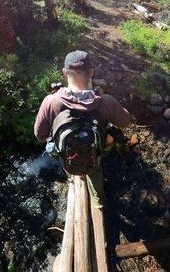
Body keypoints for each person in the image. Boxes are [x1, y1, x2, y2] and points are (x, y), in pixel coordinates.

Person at [34, 50, 130, 207]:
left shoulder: (51, 102)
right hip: (95, 157)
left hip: (68, 156)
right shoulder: (105, 102)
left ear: (65, 73)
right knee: (95, 170)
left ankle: (74, 173)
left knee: (69, 157)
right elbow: (125, 121)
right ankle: (98, 200)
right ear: (91, 73)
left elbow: (39, 135)